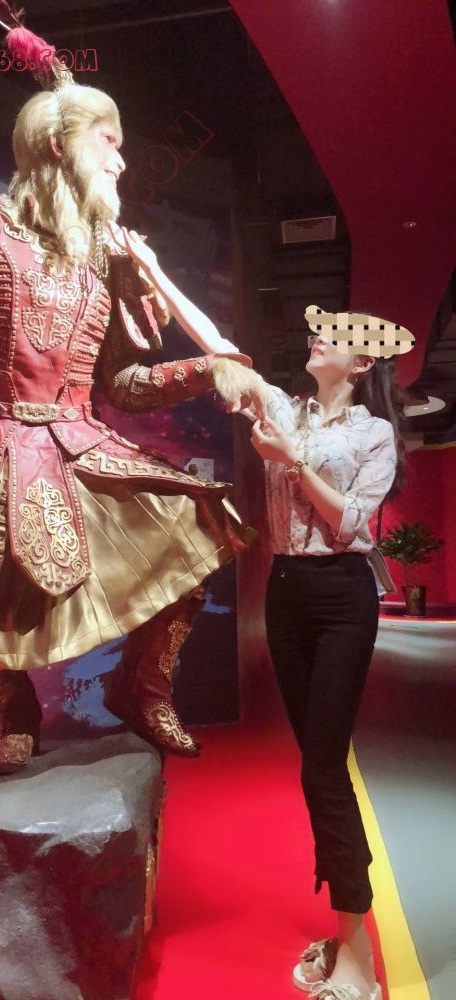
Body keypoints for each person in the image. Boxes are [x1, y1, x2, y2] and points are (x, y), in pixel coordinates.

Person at [0, 78, 268, 774]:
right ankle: (15, 718)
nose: (121, 161)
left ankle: (140, 688)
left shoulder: (107, 257)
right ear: (58, 143)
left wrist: (206, 370)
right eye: (109, 142)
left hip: (77, 438)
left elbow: (121, 383)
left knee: (195, 530)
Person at [251, 325, 406, 1000]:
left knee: (321, 767)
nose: (315, 336)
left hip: (343, 594)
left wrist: (292, 461)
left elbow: (351, 526)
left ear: (363, 360)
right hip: (285, 590)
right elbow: (220, 351)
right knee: (316, 766)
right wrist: (148, 274)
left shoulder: (374, 433)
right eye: (314, 330)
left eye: (333, 333)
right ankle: (346, 932)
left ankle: (356, 950)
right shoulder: (283, 409)